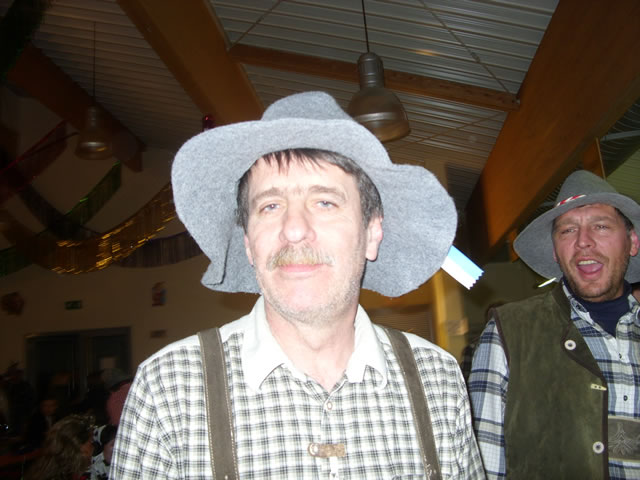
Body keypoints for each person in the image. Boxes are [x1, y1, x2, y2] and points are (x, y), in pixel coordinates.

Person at [110, 91, 483, 478]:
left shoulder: (437, 380)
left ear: (372, 233)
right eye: (270, 206)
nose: (293, 229)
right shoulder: (168, 391)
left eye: (325, 202)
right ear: (248, 243)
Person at [468, 170, 640, 479]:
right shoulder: (509, 333)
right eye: (567, 230)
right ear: (555, 253)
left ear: (632, 242)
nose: (583, 242)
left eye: (601, 226)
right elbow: (482, 464)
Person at [24, 414, 94, 480]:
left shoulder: (45, 468)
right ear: (78, 447)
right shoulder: (64, 476)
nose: (93, 448)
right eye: (91, 442)